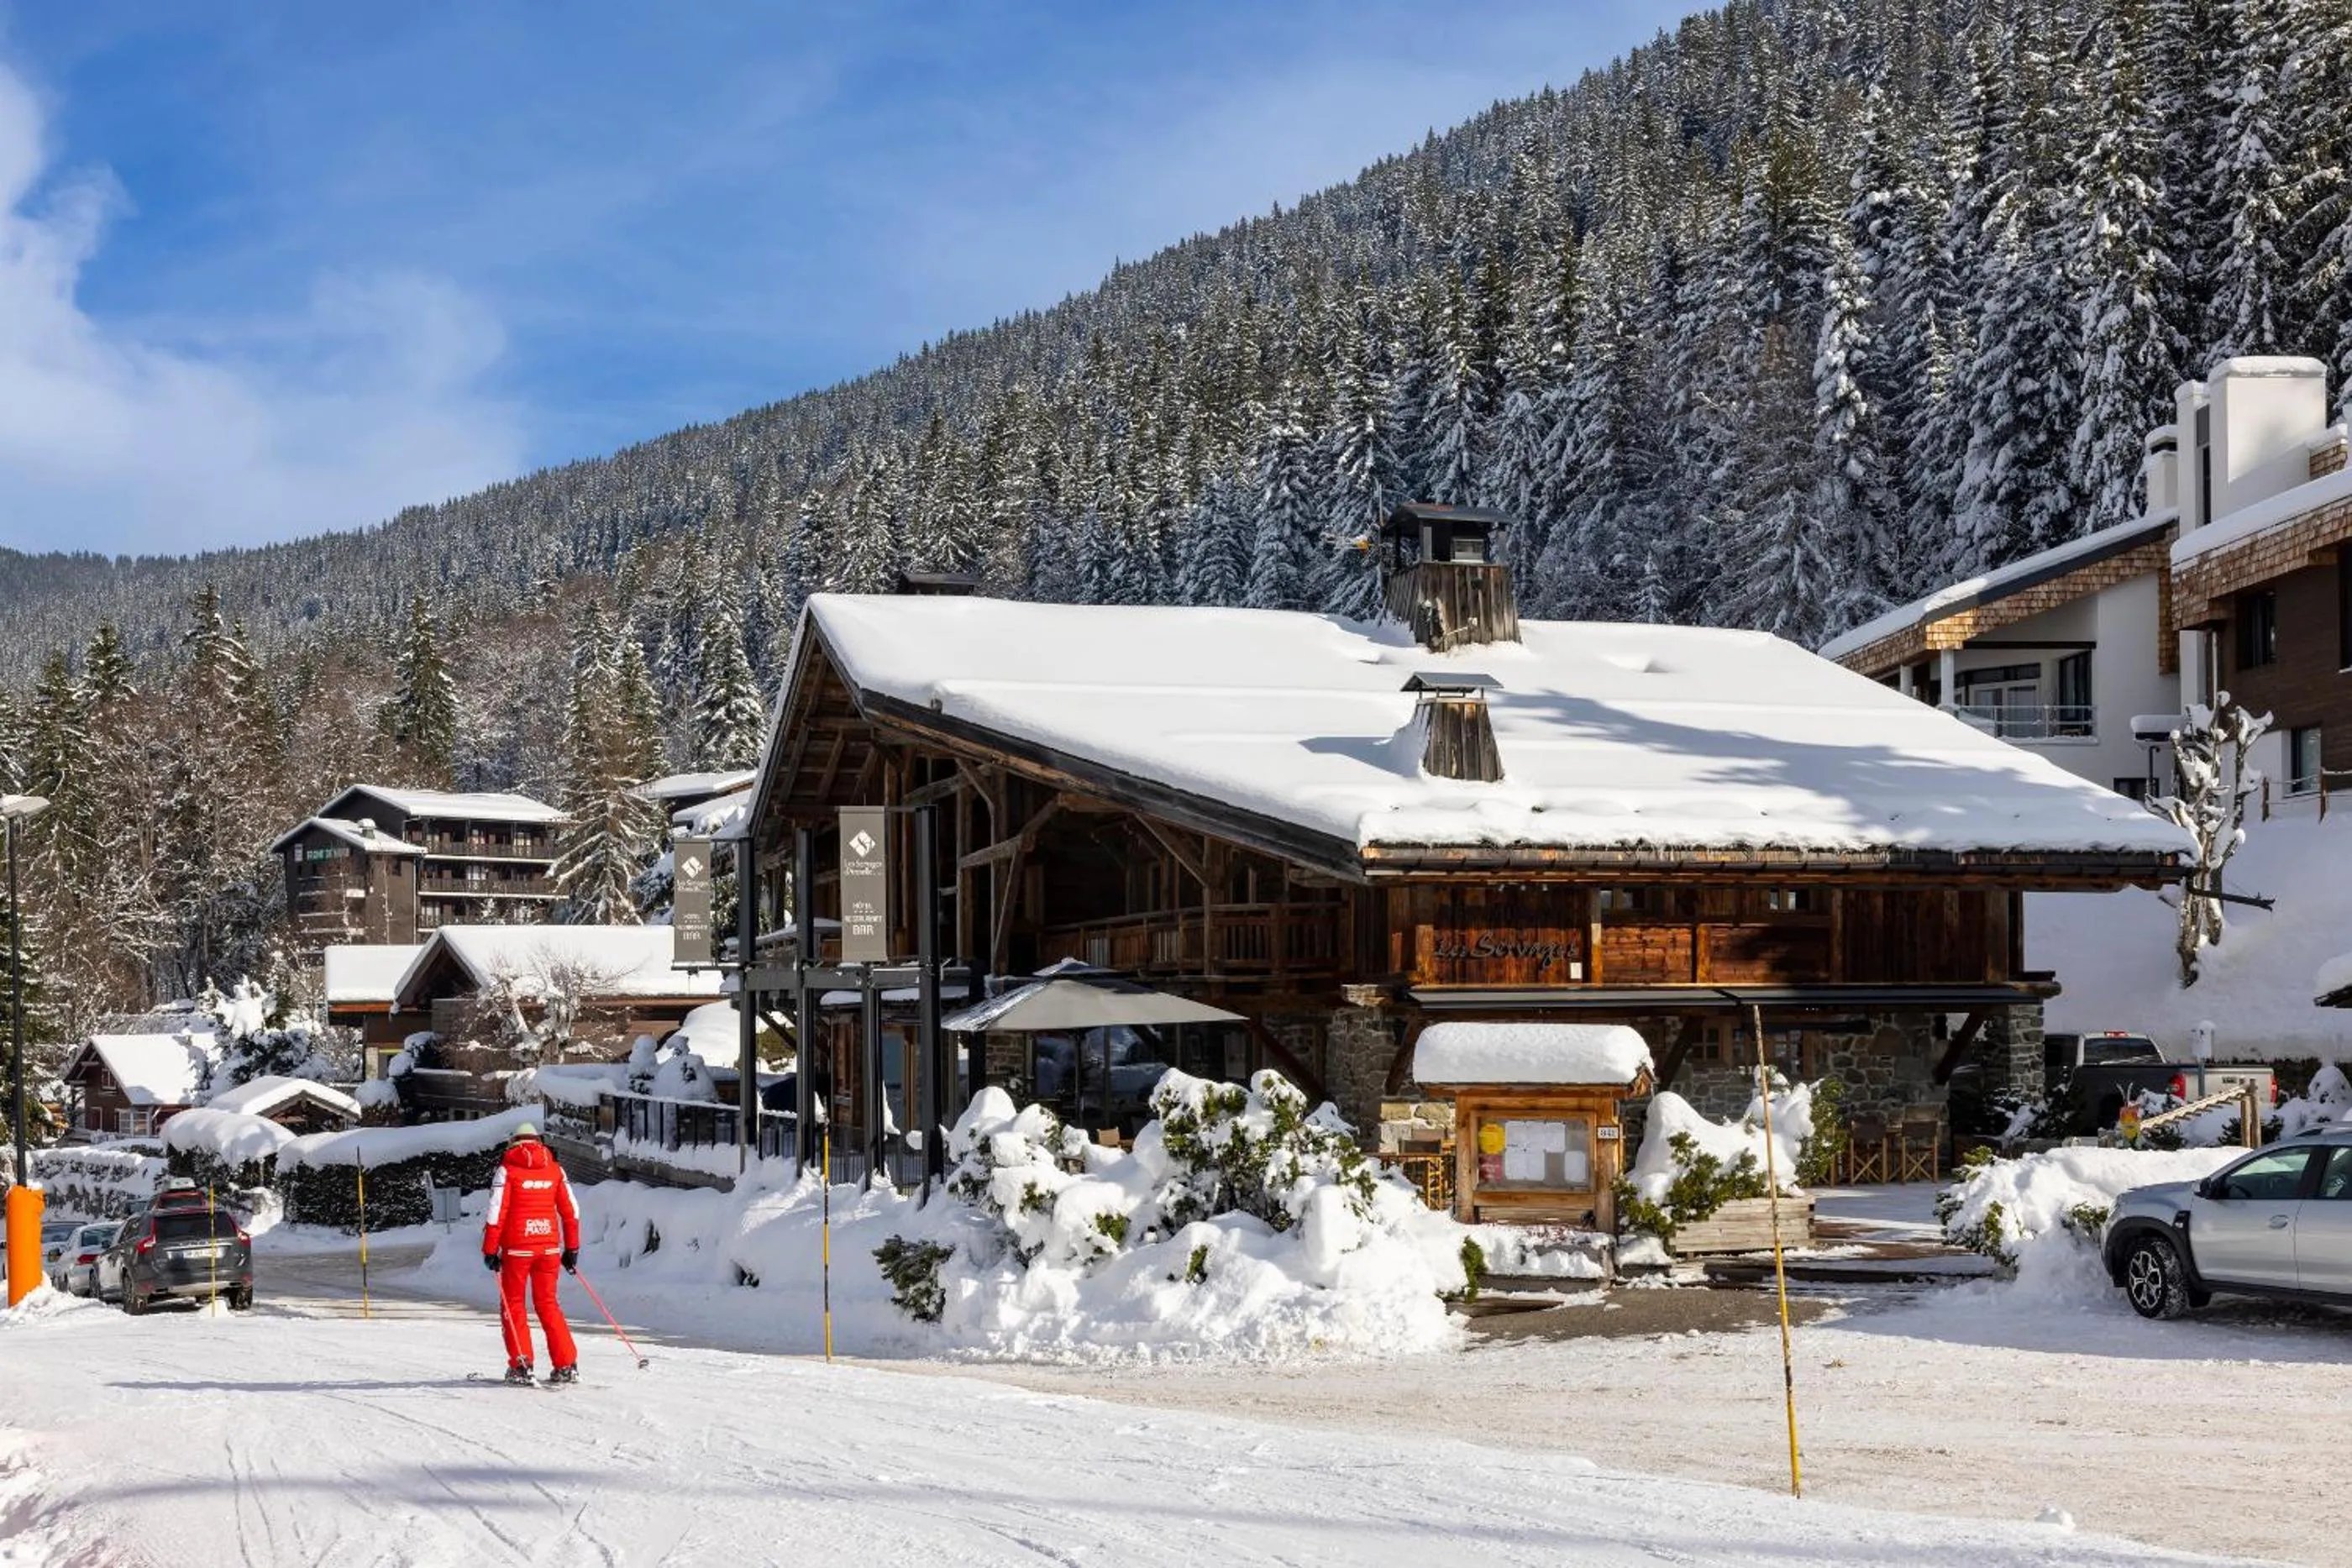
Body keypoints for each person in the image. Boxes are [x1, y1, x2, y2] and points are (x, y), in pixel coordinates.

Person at [480, 1122, 582, 1385]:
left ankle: (522, 1365)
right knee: (548, 1303)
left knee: (513, 1304)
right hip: (549, 1247)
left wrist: (490, 1250)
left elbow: (496, 1214)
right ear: (539, 1142)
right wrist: (572, 1249)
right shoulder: (555, 1170)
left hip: (517, 1250)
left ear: (513, 1142)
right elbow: (571, 1212)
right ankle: (567, 1364)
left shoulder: (507, 1171)